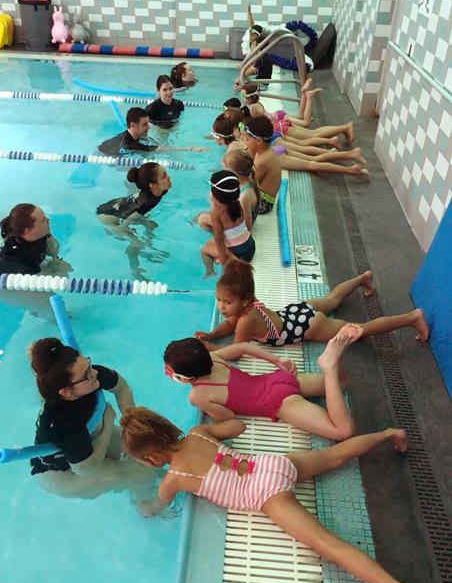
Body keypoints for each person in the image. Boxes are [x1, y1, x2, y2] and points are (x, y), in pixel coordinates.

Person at [120, 405, 430, 583]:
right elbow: (236, 426)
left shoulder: (174, 480)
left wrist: (142, 507)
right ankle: (390, 434)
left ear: (151, 456)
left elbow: (155, 509)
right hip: (270, 464)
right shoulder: (198, 432)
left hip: (268, 495)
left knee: (329, 546)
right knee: (335, 455)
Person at [163, 327, 357, 440]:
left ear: (185, 377)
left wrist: (208, 409)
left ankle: (329, 365)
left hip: (280, 403)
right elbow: (244, 347)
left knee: (343, 431)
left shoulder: (197, 395)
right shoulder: (214, 358)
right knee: (342, 382)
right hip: (276, 379)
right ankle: (333, 361)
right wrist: (276, 361)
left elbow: (229, 417)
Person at [29, 337, 154, 499]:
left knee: (147, 449)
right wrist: (108, 423)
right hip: (61, 472)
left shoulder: (89, 377)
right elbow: (86, 469)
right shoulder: (63, 423)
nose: (95, 373)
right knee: (143, 475)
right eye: (86, 374)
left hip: (90, 437)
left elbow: (121, 387)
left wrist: (131, 420)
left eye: (89, 365)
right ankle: (145, 507)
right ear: (66, 392)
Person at [194, 260, 429, 346]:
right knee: (332, 299)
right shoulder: (247, 305)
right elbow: (229, 324)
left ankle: (412, 318)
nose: (221, 306)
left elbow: (237, 350)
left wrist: (210, 349)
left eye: (226, 301)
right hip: (296, 311)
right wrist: (212, 334)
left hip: (306, 327)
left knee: (360, 331)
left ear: (243, 300)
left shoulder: (245, 320)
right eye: (219, 300)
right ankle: (362, 279)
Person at [0, 203, 72, 318]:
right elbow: (37, 281)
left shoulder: (36, 233)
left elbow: (53, 251)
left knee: (61, 270)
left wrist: (54, 258)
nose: (48, 220)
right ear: (28, 231)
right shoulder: (13, 254)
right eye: (43, 220)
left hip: (23, 271)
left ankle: (34, 305)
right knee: (54, 307)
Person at [96, 163, 171, 281]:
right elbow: (125, 223)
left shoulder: (159, 190)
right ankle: (135, 271)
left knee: (151, 225)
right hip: (108, 218)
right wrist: (129, 235)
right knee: (137, 244)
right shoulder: (145, 203)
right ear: (153, 185)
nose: (169, 178)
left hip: (115, 208)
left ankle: (148, 249)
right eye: (164, 176)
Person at [201, 171, 255, 277]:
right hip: (250, 247)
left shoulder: (216, 212)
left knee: (204, 250)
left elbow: (219, 239)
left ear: (215, 195)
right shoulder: (237, 203)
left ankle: (210, 272)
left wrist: (223, 259)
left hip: (238, 253)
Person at [98, 107, 206, 157]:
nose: (149, 127)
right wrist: (190, 149)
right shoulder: (129, 144)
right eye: (145, 124)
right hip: (102, 155)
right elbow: (159, 149)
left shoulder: (133, 135)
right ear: (133, 126)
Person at [197, 150, 259, 233]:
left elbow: (248, 225)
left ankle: (225, 238)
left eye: (225, 168)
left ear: (235, 173)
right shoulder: (248, 181)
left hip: (238, 230)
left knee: (202, 219)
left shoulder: (245, 196)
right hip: (238, 219)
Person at [240, 116, 282, 214]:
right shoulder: (263, 152)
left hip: (264, 203)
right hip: (262, 195)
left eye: (247, 139)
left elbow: (248, 183)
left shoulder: (262, 160)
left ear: (259, 141)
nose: (244, 142)